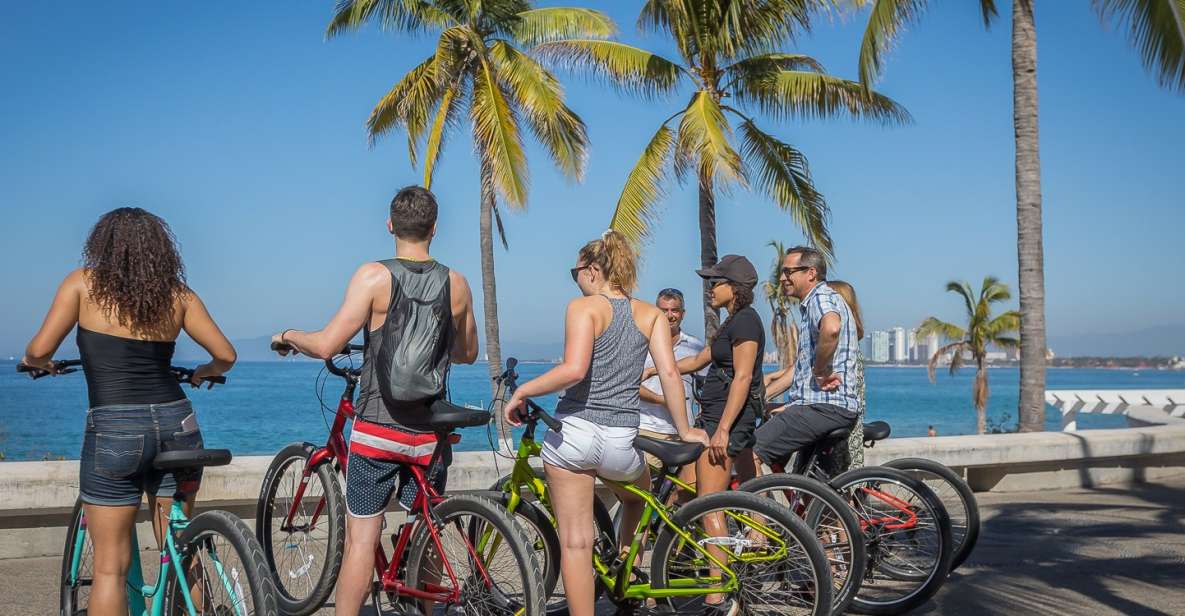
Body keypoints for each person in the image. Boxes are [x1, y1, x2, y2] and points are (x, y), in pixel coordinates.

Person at [270, 186, 478, 616]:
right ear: (434, 229)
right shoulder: (456, 284)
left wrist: (288, 336)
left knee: (362, 540)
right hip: (429, 434)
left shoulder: (373, 277)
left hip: (378, 430)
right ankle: (424, 605)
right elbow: (467, 353)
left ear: (390, 226)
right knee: (426, 530)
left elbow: (328, 344)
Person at [21, 207, 236, 616]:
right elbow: (225, 355)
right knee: (180, 551)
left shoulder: (82, 284)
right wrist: (205, 372)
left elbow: (38, 350)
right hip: (178, 423)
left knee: (109, 571)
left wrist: (42, 364)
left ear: (103, 244)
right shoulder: (178, 294)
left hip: (116, 427)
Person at [503, 231, 708, 616]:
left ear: (594, 270)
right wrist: (684, 429)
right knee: (637, 498)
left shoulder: (584, 309)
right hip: (621, 440)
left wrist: (523, 391)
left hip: (574, 435)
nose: (576, 280)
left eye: (576, 272)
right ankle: (626, 571)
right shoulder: (650, 315)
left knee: (577, 544)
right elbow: (668, 372)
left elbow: (574, 369)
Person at [754, 247, 860, 472]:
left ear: (810, 273)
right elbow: (799, 369)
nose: (783, 278)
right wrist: (762, 396)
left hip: (822, 408)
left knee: (749, 452)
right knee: (810, 485)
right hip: (820, 407)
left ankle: (758, 508)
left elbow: (831, 328)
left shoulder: (820, 298)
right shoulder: (815, 303)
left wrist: (822, 371)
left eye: (788, 272)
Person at [638, 287, 706, 497]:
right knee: (643, 495)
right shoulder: (641, 345)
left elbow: (705, 386)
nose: (669, 315)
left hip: (684, 433)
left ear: (682, 313)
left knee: (686, 495)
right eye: (664, 310)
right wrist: (661, 400)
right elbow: (630, 384)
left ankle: (668, 531)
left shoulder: (694, 346)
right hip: (648, 430)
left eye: (674, 310)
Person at [828, 280, 866, 469]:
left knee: (840, 483)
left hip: (844, 423)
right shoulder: (849, 344)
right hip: (849, 418)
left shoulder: (842, 348)